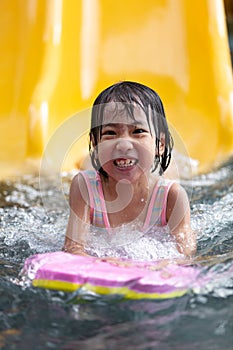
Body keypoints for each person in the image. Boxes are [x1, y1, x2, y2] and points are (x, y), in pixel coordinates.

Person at [63, 81, 196, 258]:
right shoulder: (84, 187)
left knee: (170, 170)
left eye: (138, 131)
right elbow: (73, 249)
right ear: (95, 143)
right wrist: (106, 263)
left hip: (155, 175)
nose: (124, 144)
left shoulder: (172, 197)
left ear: (160, 144)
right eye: (110, 132)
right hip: (104, 166)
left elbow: (184, 256)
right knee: (87, 165)